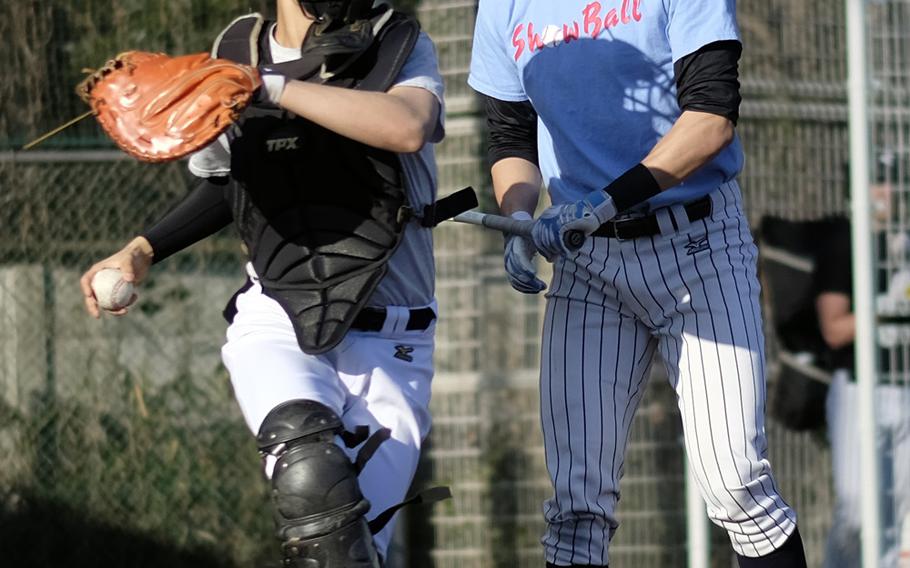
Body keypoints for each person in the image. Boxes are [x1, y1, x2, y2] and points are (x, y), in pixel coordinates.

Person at [79, 1, 447, 566]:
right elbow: (227, 185)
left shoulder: (394, 39)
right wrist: (143, 249)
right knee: (309, 469)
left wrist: (266, 87)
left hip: (391, 339)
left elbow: (407, 127)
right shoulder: (235, 54)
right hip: (277, 312)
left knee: (348, 554)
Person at [468, 1, 807, 567]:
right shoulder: (502, 6)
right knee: (577, 511)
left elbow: (712, 116)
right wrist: (520, 221)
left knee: (737, 484)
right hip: (588, 259)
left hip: (696, 242)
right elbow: (510, 136)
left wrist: (606, 202)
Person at [816, 162, 910, 568]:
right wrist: (885, 309)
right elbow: (834, 329)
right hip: (858, 388)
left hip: (902, 385)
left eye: (892, 181)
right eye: (878, 179)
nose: (885, 191)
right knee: (856, 507)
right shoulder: (844, 241)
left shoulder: (902, 243)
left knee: (899, 510)